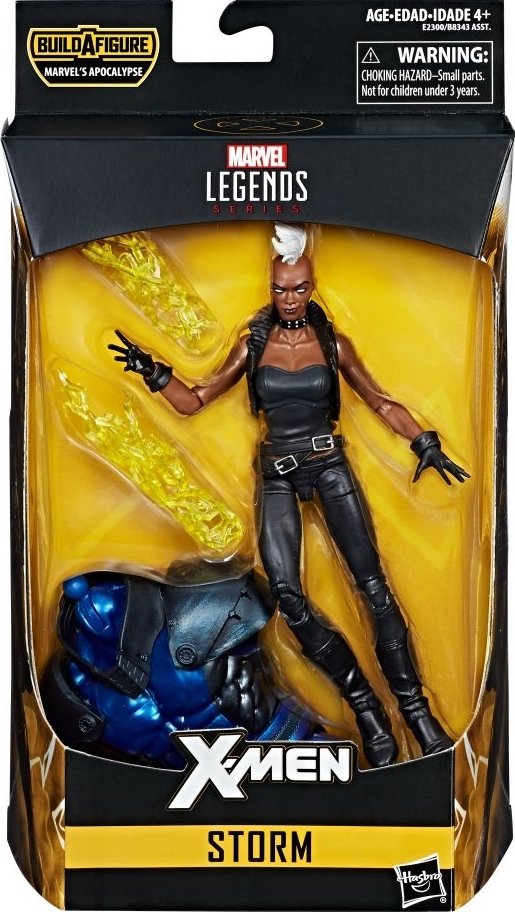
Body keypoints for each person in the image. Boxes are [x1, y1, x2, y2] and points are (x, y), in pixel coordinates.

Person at [109, 224, 469, 767]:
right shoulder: (253, 344)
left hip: (330, 465)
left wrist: (423, 440)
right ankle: (366, 709)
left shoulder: (333, 344)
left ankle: (417, 713)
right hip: (276, 470)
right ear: (271, 287)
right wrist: (153, 373)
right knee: (288, 597)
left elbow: (380, 400)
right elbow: (195, 400)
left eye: (299, 288)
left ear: (312, 285)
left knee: (374, 588)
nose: (290, 298)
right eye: (281, 288)